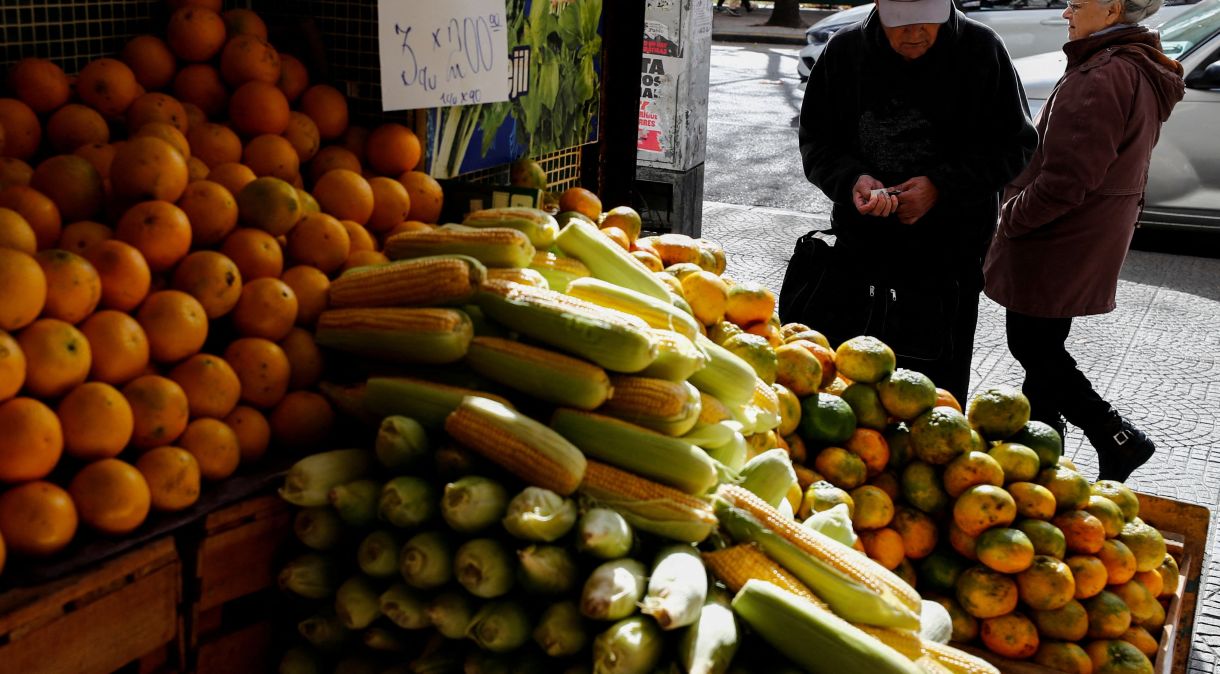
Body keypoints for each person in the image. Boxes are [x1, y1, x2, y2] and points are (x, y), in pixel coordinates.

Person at [797, 0, 1038, 404]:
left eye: (927, 20)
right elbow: (816, 143)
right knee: (852, 393)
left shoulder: (981, 49)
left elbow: (1017, 146)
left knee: (934, 396)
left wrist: (940, 186)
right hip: (860, 256)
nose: (915, 33)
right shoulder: (845, 51)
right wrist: (851, 180)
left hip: (948, 262)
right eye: (902, 23)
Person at [982, 0, 1183, 481]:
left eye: (1076, 3)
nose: (1066, 13)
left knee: (1034, 346)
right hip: (1082, 234)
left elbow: (1066, 181)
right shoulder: (1129, 63)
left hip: (1058, 238)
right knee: (1043, 346)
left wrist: (1010, 217)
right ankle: (1040, 453)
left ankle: (1117, 436)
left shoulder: (1103, 74)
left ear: (1112, 9)